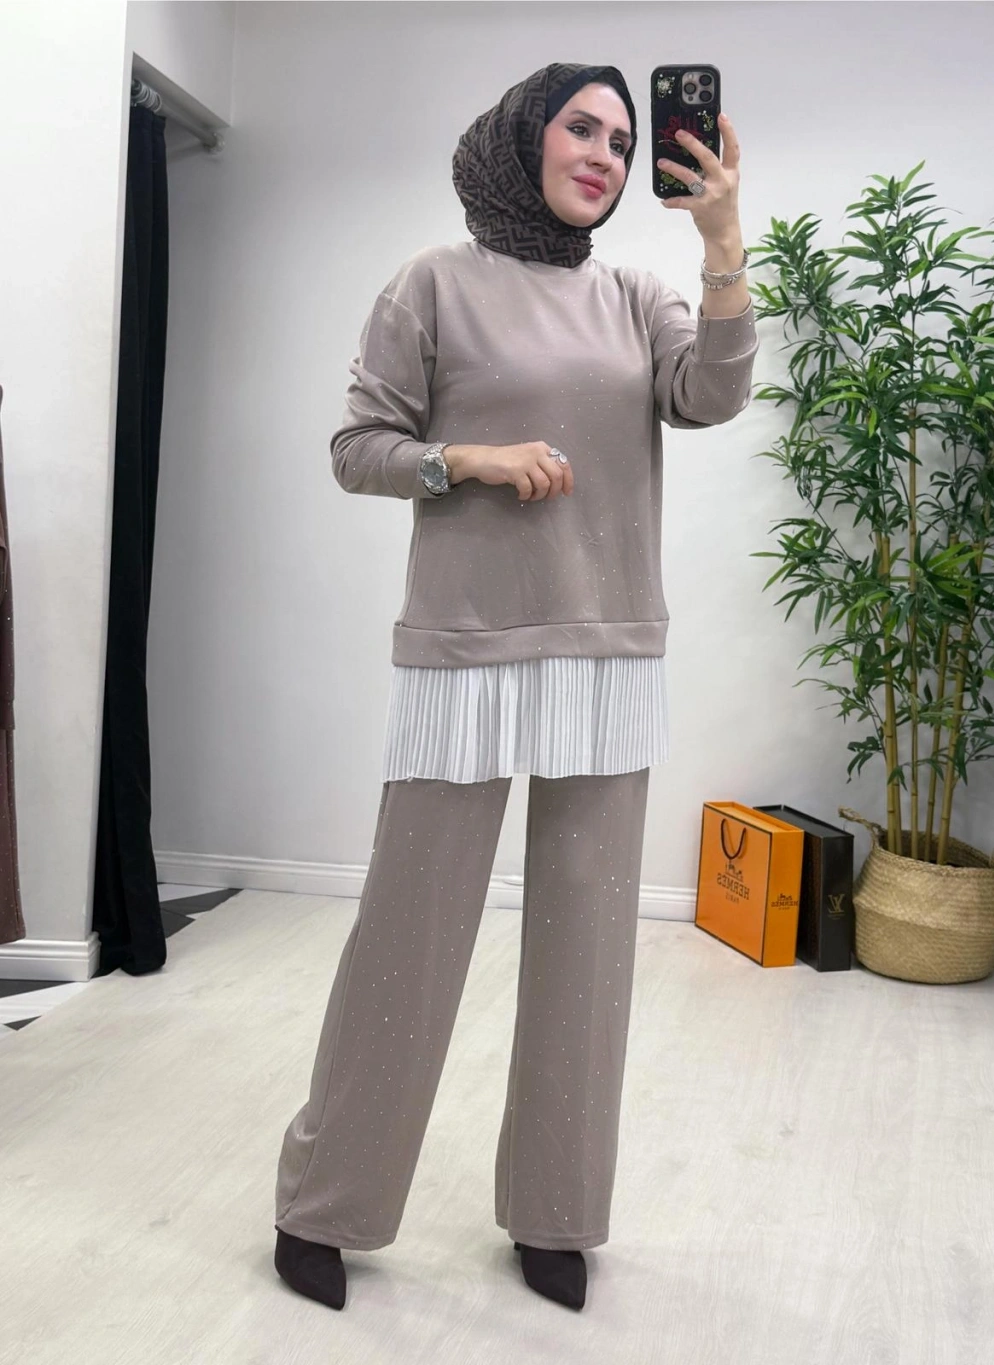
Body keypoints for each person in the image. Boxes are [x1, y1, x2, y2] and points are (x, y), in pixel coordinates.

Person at [273, 61, 757, 1313]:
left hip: (607, 649)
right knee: (409, 936)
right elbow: (357, 449)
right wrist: (468, 460)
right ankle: (325, 1204)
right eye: (580, 127)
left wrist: (720, 243)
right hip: (467, 648)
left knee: (589, 949)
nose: (603, 153)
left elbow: (710, 394)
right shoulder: (432, 283)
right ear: (522, 136)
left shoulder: (638, 295)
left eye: (623, 140)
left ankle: (555, 1213)